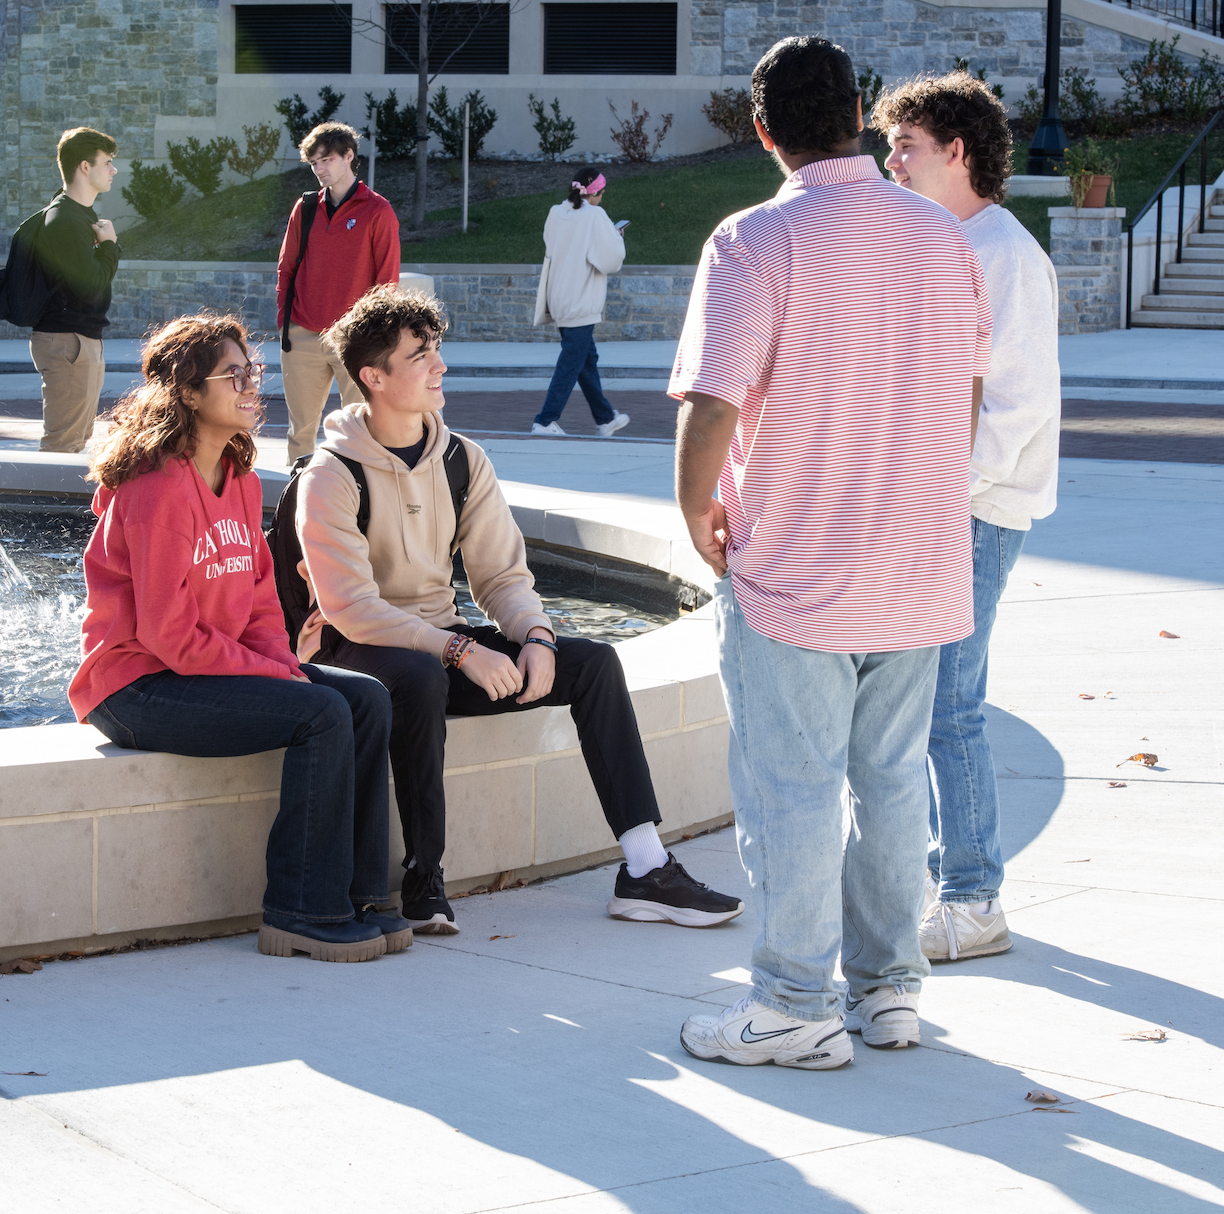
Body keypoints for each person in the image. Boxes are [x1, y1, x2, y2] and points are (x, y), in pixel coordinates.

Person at [670, 37, 989, 1069]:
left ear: (762, 132)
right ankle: (889, 991)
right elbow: (970, 395)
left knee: (794, 786)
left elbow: (715, 399)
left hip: (800, 566)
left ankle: (793, 1000)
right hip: (922, 562)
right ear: (858, 112)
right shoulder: (945, 238)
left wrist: (693, 507)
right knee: (893, 781)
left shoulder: (754, 239)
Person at [295, 285, 744, 936]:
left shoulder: (461, 460)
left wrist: (534, 635)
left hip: (441, 646)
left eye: (437, 350)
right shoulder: (330, 474)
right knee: (419, 676)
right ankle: (422, 878)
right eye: (420, 355)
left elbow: (500, 574)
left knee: (590, 663)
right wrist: (456, 650)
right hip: (356, 650)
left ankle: (645, 868)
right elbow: (350, 606)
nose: (439, 365)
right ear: (373, 376)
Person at [68, 313, 402, 963]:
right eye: (235, 374)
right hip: (137, 685)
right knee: (322, 712)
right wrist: (275, 677)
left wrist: (279, 663)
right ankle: (301, 910)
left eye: (254, 370)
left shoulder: (241, 479)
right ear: (188, 393)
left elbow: (256, 603)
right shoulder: (157, 489)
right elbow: (167, 636)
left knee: (366, 698)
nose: (253, 384)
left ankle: (364, 897)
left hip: (202, 671)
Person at [875, 72, 1061, 964]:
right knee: (915, 707)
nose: (889, 160)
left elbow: (1013, 410)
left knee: (950, 704)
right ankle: (930, 880)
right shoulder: (946, 245)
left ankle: (973, 894)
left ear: (957, 151)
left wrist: (935, 493)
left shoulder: (1005, 256)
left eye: (906, 145)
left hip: (975, 510)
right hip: (935, 508)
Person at [275, 122, 401, 463]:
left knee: (361, 427)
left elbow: (387, 282)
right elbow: (286, 268)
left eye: (326, 159)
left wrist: (377, 338)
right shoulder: (305, 209)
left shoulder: (378, 211)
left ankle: (358, 493)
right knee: (300, 430)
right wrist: (284, 323)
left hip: (355, 338)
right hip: (303, 334)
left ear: (349, 156)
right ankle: (296, 499)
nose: (319, 169)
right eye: (314, 163)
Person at [30, 127, 121, 454]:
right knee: (61, 447)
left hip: (80, 339)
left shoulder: (78, 214)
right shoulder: (65, 219)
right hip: (67, 341)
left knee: (74, 443)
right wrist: (110, 246)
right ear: (85, 166)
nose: (113, 170)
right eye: (107, 162)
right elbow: (89, 285)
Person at [531, 167, 631, 438]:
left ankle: (605, 418)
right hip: (582, 301)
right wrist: (615, 236)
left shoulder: (556, 213)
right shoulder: (595, 216)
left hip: (559, 297)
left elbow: (553, 246)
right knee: (571, 363)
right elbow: (610, 261)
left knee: (585, 360)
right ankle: (545, 420)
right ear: (596, 192)